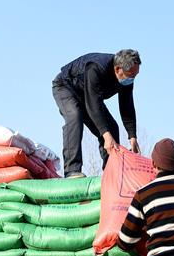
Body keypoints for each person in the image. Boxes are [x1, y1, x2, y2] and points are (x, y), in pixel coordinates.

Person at [52, 49, 142, 178]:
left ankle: (111, 172)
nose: (132, 78)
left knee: (112, 128)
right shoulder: (96, 67)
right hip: (66, 87)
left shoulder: (127, 78)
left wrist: (132, 136)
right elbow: (93, 104)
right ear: (118, 69)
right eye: (131, 74)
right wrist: (106, 135)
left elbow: (126, 105)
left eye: (136, 75)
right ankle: (72, 170)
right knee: (75, 117)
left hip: (88, 96)